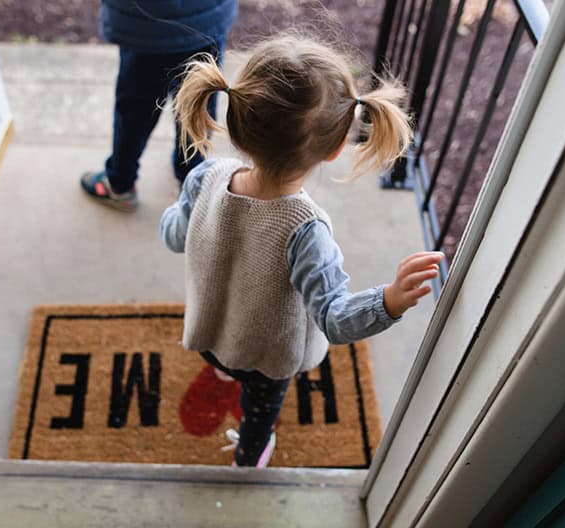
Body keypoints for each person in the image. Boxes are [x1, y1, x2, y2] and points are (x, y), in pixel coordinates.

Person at [159, 35, 445, 467]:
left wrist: (182, 213)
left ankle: (221, 370)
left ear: (237, 124)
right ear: (332, 151)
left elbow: (175, 236)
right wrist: (388, 301)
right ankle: (248, 458)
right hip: (266, 357)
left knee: (224, 358)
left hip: (211, 328)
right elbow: (334, 319)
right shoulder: (305, 230)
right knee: (260, 412)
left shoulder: (205, 177)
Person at [81, 0, 238, 211]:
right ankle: (190, 179)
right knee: (198, 103)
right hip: (205, 16)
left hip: (148, 23)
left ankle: (120, 183)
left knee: (135, 111)